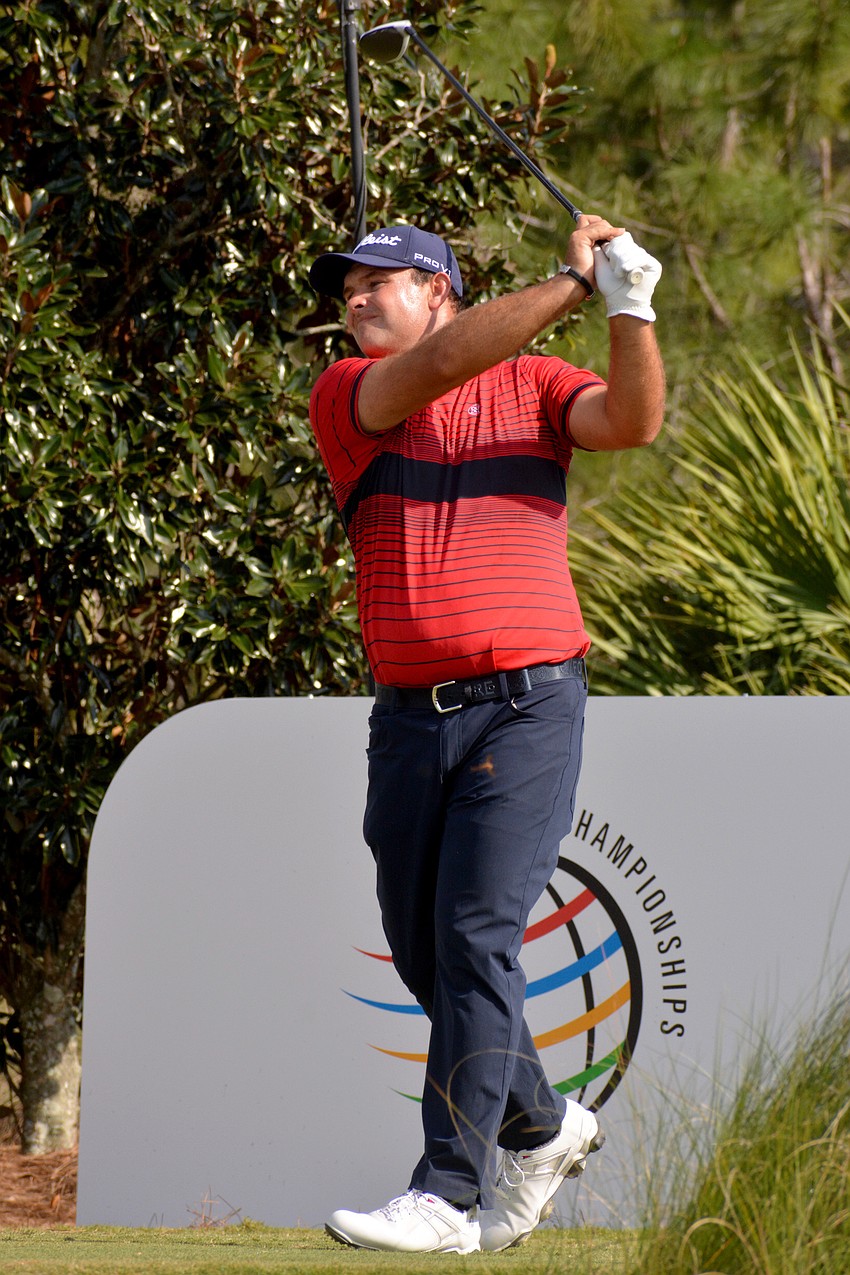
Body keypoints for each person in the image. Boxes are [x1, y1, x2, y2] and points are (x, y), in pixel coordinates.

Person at [307, 217, 665, 1254]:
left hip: (527, 700)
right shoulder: (348, 393)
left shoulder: (541, 385)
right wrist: (574, 277)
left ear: (443, 289)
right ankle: (545, 1125)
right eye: (350, 287)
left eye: (384, 282)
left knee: (473, 937)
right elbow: (444, 364)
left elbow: (632, 421)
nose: (358, 299)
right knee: (428, 958)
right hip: (409, 720)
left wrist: (629, 308)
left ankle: (448, 1191)